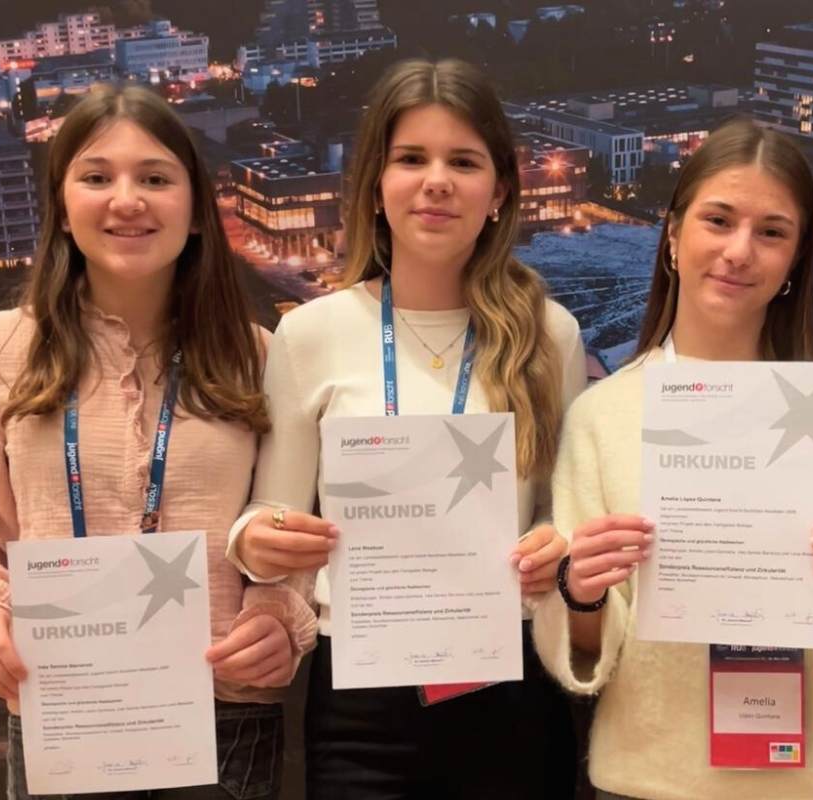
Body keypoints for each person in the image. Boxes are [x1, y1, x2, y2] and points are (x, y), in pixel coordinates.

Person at [532, 117, 813, 800]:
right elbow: (588, 658)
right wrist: (579, 591)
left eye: (771, 232)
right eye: (719, 220)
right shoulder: (603, 415)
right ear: (673, 236)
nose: (739, 251)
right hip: (652, 783)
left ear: (795, 260)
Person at [0, 84, 316, 800]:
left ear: (196, 210)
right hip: (60, 706)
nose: (127, 200)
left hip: (223, 714)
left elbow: (290, 524)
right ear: (61, 206)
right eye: (96, 176)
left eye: (155, 178)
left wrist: (280, 618)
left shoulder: (258, 356)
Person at [226, 58, 587, 799]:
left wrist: (559, 542)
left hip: (512, 683)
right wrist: (255, 541)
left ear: (500, 191)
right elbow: (271, 511)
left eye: (464, 162)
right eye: (412, 159)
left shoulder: (550, 335)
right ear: (375, 186)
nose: (437, 182)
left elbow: (566, 510)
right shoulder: (312, 334)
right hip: (363, 702)